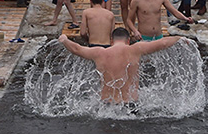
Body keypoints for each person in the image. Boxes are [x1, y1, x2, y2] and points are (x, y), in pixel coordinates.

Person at [57, 29, 186, 104]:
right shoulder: (135, 49)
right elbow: (163, 43)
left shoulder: (99, 53)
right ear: (128, 40)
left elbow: (76, 49)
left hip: (106, 107)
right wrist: (180, 38)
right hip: (130, 107)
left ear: (111, 41)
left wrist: (64, 39)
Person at [125, 0, 194, 41]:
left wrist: (186, 18)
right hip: (144, 37)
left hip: (158, 36)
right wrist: (135, 31)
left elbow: (174, 11)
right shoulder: (136, 0)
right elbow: (129, 20)